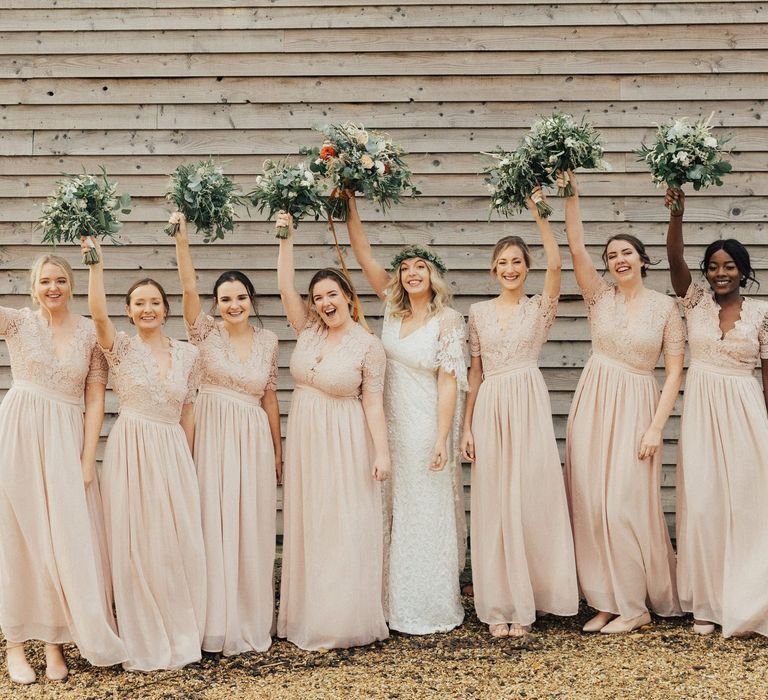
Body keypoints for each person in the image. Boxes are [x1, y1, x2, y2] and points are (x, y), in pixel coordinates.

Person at [563, 172, 683, 633]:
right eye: (611, 255)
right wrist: (569, 192)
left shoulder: (664, 308)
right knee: (591, 502)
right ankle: (607, 599)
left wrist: (655, 426)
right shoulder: (598, 297)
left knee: (624, 504)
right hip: (594, 401)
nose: (618, 260)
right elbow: (574, 249)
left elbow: (673, 370)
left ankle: (635, 604)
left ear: (642, 259)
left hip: (637, 403)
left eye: (626, 253)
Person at [0, 254, 125, 684]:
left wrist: (87, 458)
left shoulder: (91, 333)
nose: (53, 287)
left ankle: (54, 639)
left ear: (71, 284)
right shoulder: (16, 322)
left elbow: (95, 398)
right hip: (19, 432)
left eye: (60, 280)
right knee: (19, 533)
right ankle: (15, 642)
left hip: (66, 437)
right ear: (32, 287)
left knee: (61, 538)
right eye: (44, 281)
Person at [346, 194, 467, 634]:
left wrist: (441, 438)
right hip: (386, 422)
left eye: (421, 267)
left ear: (433, 276)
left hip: (423, 423)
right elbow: (362, 255)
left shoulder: (449, 321)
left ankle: (427, 602)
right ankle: (385, 598)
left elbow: (450, 380)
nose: (412, 273)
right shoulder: (391, 312)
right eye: (406, 268)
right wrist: (350, 204)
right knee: (389, 507)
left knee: (422, 508)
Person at [84, 237, 206, 671]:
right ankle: (139, 628)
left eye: (155, 302)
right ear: (130, 312)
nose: (148, 309)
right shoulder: (120, 348)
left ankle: (179, 627)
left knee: (174, 539)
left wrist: (188, 462)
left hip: (172, 447)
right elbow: (97, 313)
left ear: (166, 309)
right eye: (139, 303)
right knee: (136, 538)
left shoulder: (189, 354)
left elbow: (188, 412)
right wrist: (95, 263)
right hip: (132, 444)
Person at [461, 193, 578, 638]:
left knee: (529, 496)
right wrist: (466, 426)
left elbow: (556, 266)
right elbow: (474, 372)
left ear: (525, 268)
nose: (510, 269)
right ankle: (501, 602)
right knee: (494, 500)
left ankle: (531, 599)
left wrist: (541, 214)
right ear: (494, 269)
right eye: (503, 262)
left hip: (527, 399)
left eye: (516, 262)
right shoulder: (478, 313)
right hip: (491, 403)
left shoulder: (538, 308)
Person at [275, 212, 390, 650]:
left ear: (348, 295)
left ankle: (343, 618)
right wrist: (286, 237)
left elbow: (373, 403)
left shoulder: (368, 346)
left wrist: (382, 454)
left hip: (346, 441)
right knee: (312, 522)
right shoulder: (307, 332)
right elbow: (285, 288)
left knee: (343, 523)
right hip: (307, 439)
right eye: (318, 296)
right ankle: (309, 613)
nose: (325, 302)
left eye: (332, 294)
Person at [173, 212, 281, 655]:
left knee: (250, 524)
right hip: (213, 431)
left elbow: (271, 397)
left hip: (253, 435)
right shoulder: (203, 333)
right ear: (216, 303)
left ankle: (249, 618)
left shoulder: (269, 340)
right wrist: (181, 239)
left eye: (240, 296)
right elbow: (185, 288)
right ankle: (211, 622)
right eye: (225, 298)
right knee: (211, 521)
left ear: (251, 300)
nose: (233, 304)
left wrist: (277, 450)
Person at [665, 187, 768, 637]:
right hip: (703, 411)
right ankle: (707, 602)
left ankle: (745, 597)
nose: (720, 273)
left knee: (746, 505)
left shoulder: (762, 314)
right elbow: (674, 261)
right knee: (705, 503)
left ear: (743, 272)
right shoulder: (695, 303)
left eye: (728, 267)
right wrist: (677, 214)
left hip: (746, 412)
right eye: (713, 266)